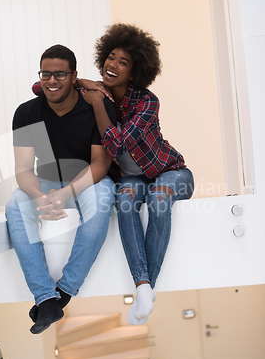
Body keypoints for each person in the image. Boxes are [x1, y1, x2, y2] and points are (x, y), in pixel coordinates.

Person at [32, 24, 194, 325]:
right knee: (124, 200)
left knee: (159, 198)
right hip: (132, 179)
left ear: (134, 72)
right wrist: (81, 81)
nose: (113, 64)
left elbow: (117, 143)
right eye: (111, 57)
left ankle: (146, 285)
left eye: (123, 62)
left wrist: (96, 101)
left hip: (168, 172)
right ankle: (143, 288)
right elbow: (41, 88)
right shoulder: (94, 89)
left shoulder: (147, 101)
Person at [5, 44, 116, 334]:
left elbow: (99, 164)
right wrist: (42, 198)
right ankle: (45, 298)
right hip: (47, 183)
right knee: (16, 204)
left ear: (74, 76)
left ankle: (63, 292)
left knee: (103, 199)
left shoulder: (95, 108)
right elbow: (23, 169)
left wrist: (65, 193)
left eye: (59, 75)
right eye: (46, 74)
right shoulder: (27, 113)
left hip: (85, 181)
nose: (51, 81)